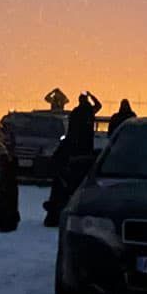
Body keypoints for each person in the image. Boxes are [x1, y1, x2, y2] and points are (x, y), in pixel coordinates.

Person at [45, 91, 101, 227]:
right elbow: (99, 105)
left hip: (74, 150)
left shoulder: (76, 112)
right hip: (85, 149)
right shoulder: (89, 111)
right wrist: (92, 95)